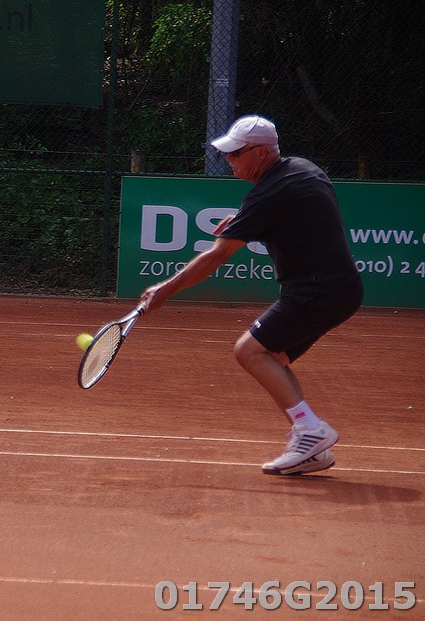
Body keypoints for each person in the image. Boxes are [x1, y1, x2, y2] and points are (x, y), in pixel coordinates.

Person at [140, 115, 363, 475]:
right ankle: (310, 444)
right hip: (340, 288)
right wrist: (243, 218)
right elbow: (294, 210)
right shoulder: (301, 169)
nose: (228, 160)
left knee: (249, 350)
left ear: (260, 153)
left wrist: (165, 290)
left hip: (318, 289)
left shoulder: (268, 195)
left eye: (235, 153)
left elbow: (216, 257)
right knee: (272, 357)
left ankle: (310, 430)